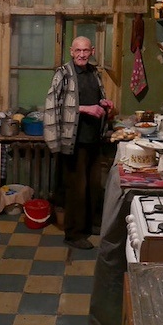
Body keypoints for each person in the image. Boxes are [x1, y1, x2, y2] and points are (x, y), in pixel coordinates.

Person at [44, 36, 114, 250]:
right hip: (73, 140)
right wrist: (85, 108)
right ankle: (73, 234)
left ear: (92, 51)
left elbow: (95, 98)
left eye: (86, 50)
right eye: (78, 51)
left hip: (93, 138)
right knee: (76, 189)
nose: (82, 54)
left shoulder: (94, 73)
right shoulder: (63, 74)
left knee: (93, 186)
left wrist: (103, 103)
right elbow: (53, 104)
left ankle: (89, 225)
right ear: (71, 52)